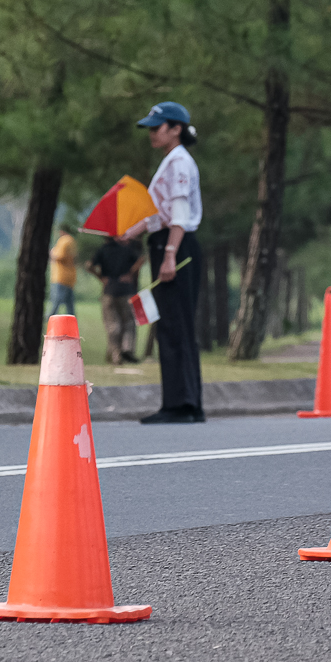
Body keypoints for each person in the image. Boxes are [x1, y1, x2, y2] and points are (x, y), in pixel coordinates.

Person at [123, 101, 204, 423]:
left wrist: (170, 255)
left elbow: (179, 215)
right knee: (171, 324)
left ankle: (181, 405)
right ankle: (186, 403)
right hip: (168, 243)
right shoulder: (171, 161)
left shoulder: (179, 162)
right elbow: (160, 212)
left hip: (176, 246)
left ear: (176, 129)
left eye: (157, 128)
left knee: (175, 326)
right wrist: (133, 231)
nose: (152, 134)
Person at [89, 233, 145, 364]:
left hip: (109, 290)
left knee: (113, 324)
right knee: (129, 322)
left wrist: (101, 278)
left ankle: (116, 355)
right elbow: (141, 259)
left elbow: (89, 265)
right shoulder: (127, 249)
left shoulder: (103, 250)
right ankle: (127, 349)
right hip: (126, 290)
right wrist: (130, 273)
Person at [47, 223, 79, 319]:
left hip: (60, 276)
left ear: (62, 231)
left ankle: (50, 317)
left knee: (56, 300)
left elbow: (59, 256)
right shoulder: (72, 241)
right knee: (69, 303)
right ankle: (72, 319)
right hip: (70, 277)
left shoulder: (64, 241)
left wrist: (51, 252)